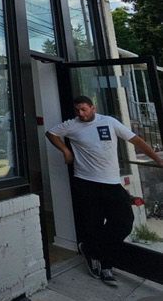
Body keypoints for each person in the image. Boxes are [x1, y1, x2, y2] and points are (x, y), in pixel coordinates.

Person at [46, 95, 163, 285]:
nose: (80, 114)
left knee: (124, 222)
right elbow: (51, 133)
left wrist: (157, 159)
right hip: (85, 182)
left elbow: (137, 141)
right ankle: (104, 264)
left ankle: (93, 249)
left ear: (94, 107)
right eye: (77, 110)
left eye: (84, 109)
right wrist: (66, 151)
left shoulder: (109, 122)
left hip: (111, 183)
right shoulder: (72, 125)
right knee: (94, 224)